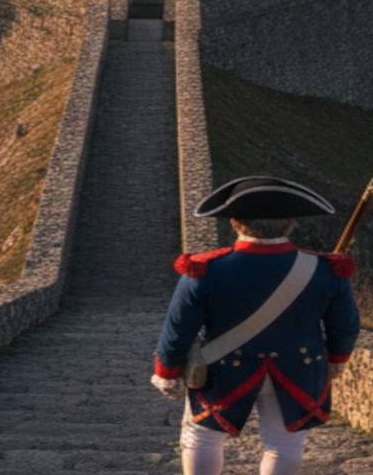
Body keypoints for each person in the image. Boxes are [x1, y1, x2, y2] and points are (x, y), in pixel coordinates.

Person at [150, 176, 360, 475]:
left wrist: (167, 371)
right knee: (284, 445)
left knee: (203, 438)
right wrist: (337, 359)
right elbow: (346, 326)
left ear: (235, 223)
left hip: (224, 367)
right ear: (291, 223)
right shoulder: (327, 270)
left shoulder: (205, 269)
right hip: (298, 367)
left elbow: (178, 328)